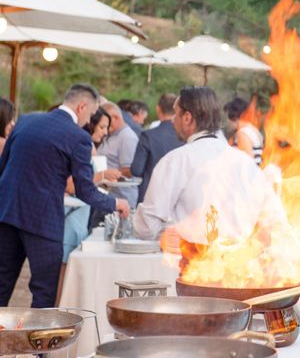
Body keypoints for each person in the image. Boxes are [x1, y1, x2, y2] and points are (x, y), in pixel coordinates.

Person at [0, 84, 129, 308]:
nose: (87, 121)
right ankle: (37, 343)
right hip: (43, 220)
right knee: (44, 292)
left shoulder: (26, 120)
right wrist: (115, 202)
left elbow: (3, 167)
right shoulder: (78, 137)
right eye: (89, 114)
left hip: (7, 212)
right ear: (82, 106)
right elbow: (85, 189)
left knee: (1, 283)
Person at [133, 86, 287, 257]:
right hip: (241, 268)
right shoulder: (245, 162)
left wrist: (164, 231)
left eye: (176, 114)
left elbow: (146, 227)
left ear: (187, 118)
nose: (172, 120)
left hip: (195, 267)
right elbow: (274, 219)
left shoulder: (176, 161)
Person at [131, 93, 183, 203]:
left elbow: (136, 170)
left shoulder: (148, 136)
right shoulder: (185, 137)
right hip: (177, 197)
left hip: (150, 196)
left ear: (158, 109)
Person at [97, 102, 139, 208]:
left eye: (107, 121)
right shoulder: (109, 135)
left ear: (115, 118)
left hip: (121, 199)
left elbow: (129, 170)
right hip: (106, 196)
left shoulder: (127, 137)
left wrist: (104, 175)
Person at [223, 97, 264, 165]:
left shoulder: (243, 134)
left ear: (234, 117)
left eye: (227, 118)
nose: (227, 122)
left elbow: (247, 164)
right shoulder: (252, 129)